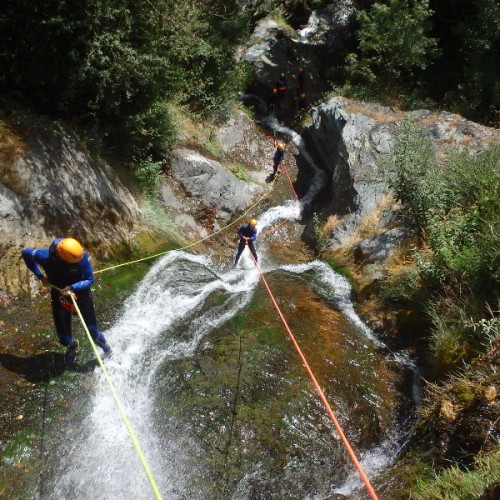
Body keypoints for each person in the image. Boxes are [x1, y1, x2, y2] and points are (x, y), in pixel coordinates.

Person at [22, 237, 112, 365]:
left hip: (81, 295)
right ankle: (73, 345)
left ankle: (107, 349)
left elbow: (89, 280)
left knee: (92, 332)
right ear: (61, 257)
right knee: (63, 338)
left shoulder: (81, 258)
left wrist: (72, 287)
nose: (77, 263)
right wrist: (40, 276)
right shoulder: (44, 256)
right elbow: (26, 254)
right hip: (60, 296)